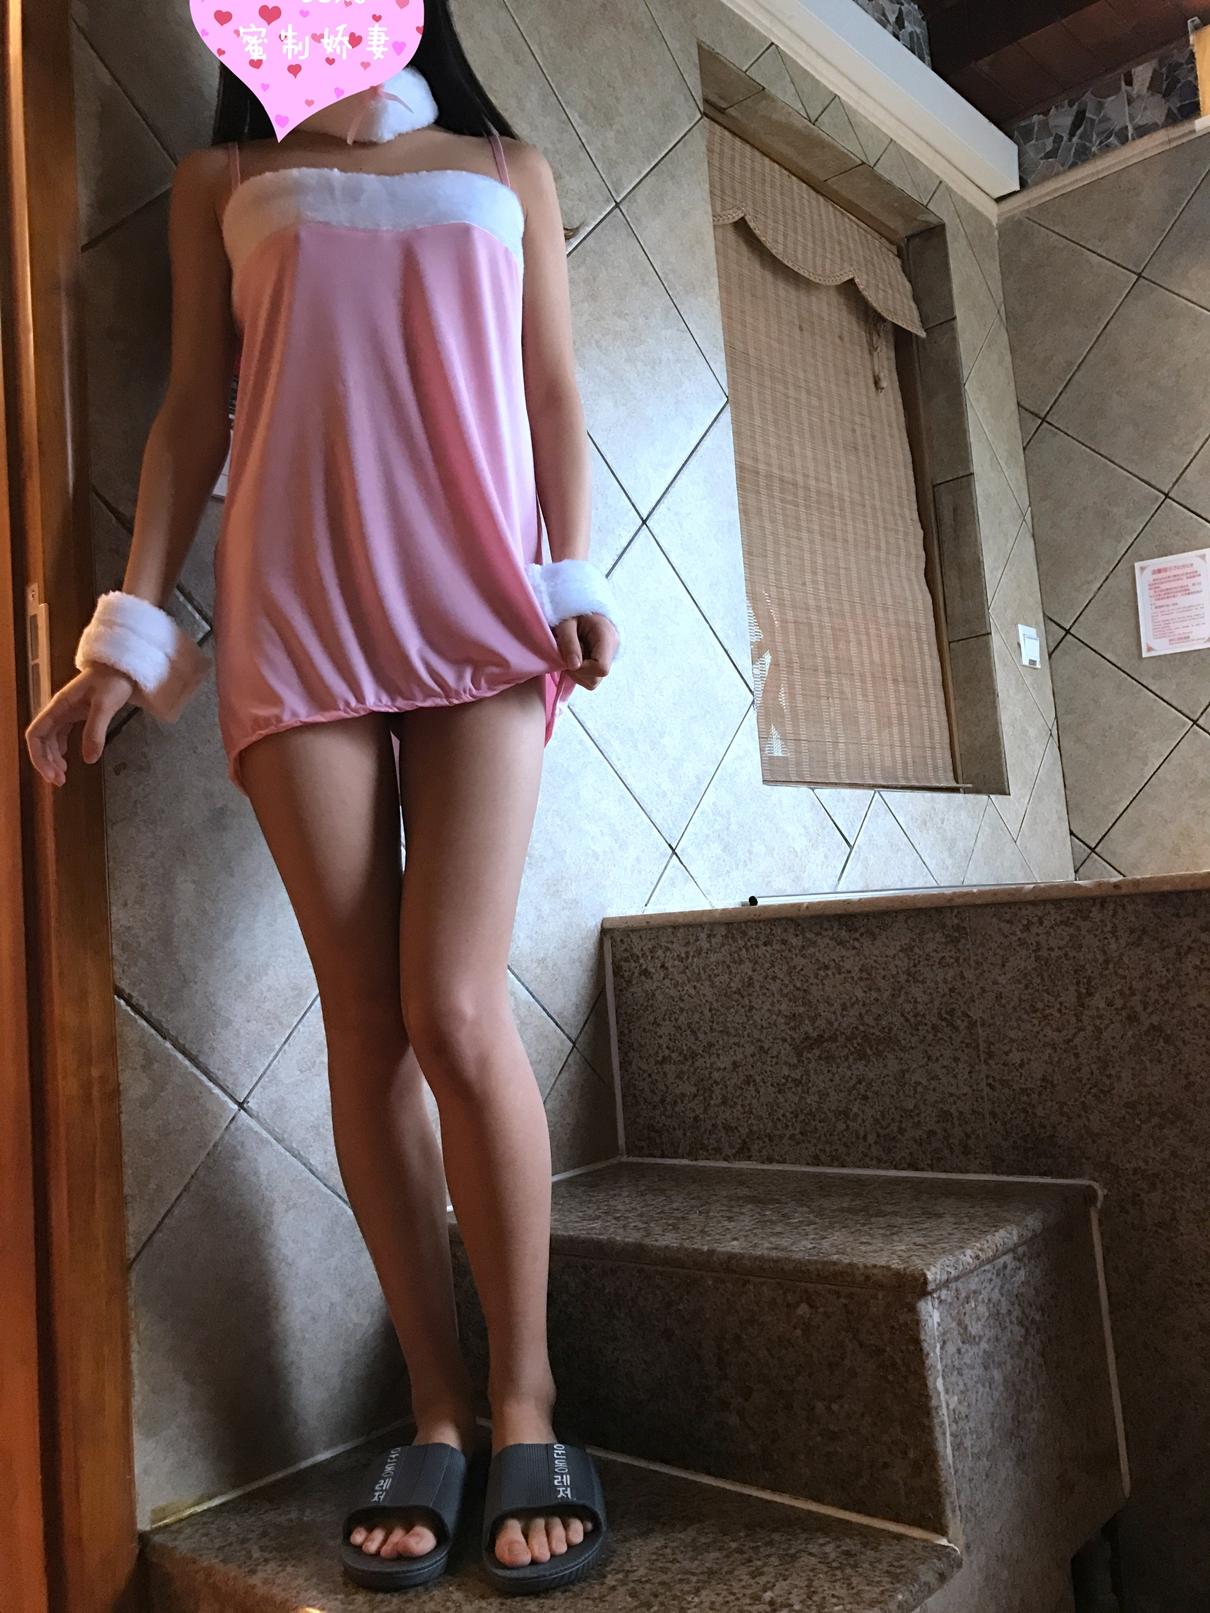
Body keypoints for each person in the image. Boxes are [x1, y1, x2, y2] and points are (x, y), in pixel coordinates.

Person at [24, 2, 617, 1596]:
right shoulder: (223, 180)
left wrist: (569, 570)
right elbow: (189, 415)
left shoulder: (508, 164)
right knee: (365, 1021)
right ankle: (436, 1407)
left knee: (453, 1007)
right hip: (293, 609)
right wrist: (122, 645)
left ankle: (526, 1398)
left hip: (482, 608)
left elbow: (551, 394)